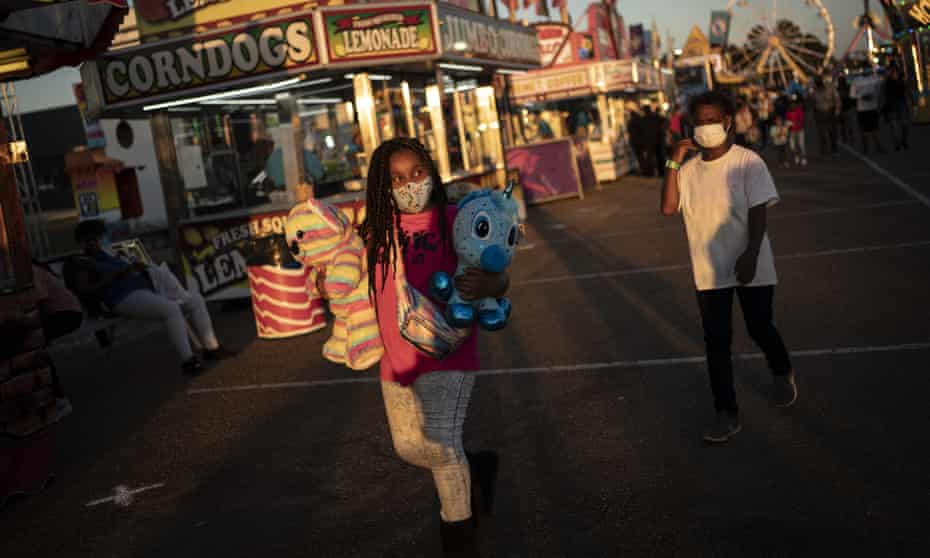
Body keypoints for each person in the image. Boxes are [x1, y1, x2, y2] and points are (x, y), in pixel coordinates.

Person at [360, 137, 508, 556]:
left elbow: (499, 277)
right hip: (397, 359)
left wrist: (490, 284)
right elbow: (355, 282)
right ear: (383, 186)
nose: (410, 185)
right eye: (398, 179)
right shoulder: (378, 232)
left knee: (442, 451)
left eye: (418, 174)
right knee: (408, 447)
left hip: (449, 354)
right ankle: (476, 468)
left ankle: (461, 544)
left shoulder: (456, 220)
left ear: (433, 172)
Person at [660, 91, 797, 444]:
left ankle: (781, 369)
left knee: (759, 327)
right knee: (716, 342)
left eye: (712, 120)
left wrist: (751, 253)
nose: (705, 127)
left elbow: (758, 210)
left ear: (727, 123)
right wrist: (675, 159)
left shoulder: (747, 162)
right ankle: (726, 413)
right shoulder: (688, 171)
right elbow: (668, 207)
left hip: (752, 263)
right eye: (699, 121)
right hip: (709, 271)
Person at [70, 220, 226, 375]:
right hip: (121, 298)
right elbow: (84, 290)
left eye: (97, 238)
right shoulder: (82, 262)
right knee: (171, 310)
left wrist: (140, 268)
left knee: (195, 300)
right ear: (80, 243)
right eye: (88, 240)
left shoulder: (108, 254)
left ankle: (212, 348)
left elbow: (129, 269)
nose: (94, 243)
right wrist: (114, 276)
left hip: (147, 290)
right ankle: (188, 361)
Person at [850, 71, 885, 154]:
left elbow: (880, 91)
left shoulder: (875, 79)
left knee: (873, 129)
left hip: (870, 108)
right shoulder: (857, 81)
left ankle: (875, 147)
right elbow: (852, 95)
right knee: (867, 129)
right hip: (864, 108)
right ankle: (868, 148)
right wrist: (862, 97)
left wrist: (870, 97)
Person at [884, 66, 911, 151]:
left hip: (901, 104)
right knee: (894, 126)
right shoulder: (887, 83)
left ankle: (903, 141)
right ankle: (897, 144)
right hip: (892, 105)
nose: (894, 74)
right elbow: (883, 96)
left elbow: (907, 91)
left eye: (895, 72)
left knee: (905, 124)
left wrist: (911, 101)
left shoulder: (901, 81)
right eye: (892, 72)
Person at [813, 77, 841, 157]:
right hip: (819, 112)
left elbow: (837, 99)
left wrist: (837, 110)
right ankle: (824, 150)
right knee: (821, 132)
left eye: (818, 83)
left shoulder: (830, 88)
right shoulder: (815, 91)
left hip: (830, 111)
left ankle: (834, 149)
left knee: (832, 131)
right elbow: (812, 102)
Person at [785, 96, 807, 166]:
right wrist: (788, 124)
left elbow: (802, 121)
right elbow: (787, 121)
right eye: (791, 104)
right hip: (792, 131)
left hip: (799, 130)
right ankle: (796, 156)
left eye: (794, 104)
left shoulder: (799, 111)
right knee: (792, 146)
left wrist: (796, 123)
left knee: (801, 145)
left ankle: (803, 158)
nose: (792, 105)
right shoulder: (788, 112)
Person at [837, 75, 856, 144]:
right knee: (844, 124)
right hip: (844, 108)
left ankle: (848, 137)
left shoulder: (843, 88)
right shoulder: (841, 88)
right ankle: (847, 137)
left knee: (846, 124)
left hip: (846, 108)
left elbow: (851, 97)